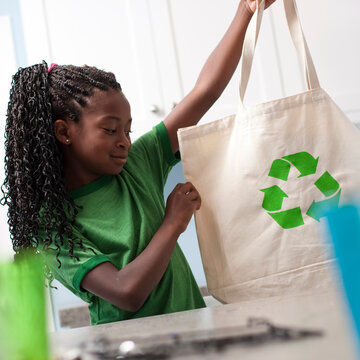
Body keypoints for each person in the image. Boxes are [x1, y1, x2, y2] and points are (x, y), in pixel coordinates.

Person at [2, 0, 275, 325]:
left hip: (195, 338)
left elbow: (206, 91)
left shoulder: (138, 162)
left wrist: (245, 9)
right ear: (64, 131)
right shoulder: (51, 225)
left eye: (128, 130)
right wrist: (173, 223)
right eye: (110, 129)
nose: (124, 141)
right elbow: (126, 291)